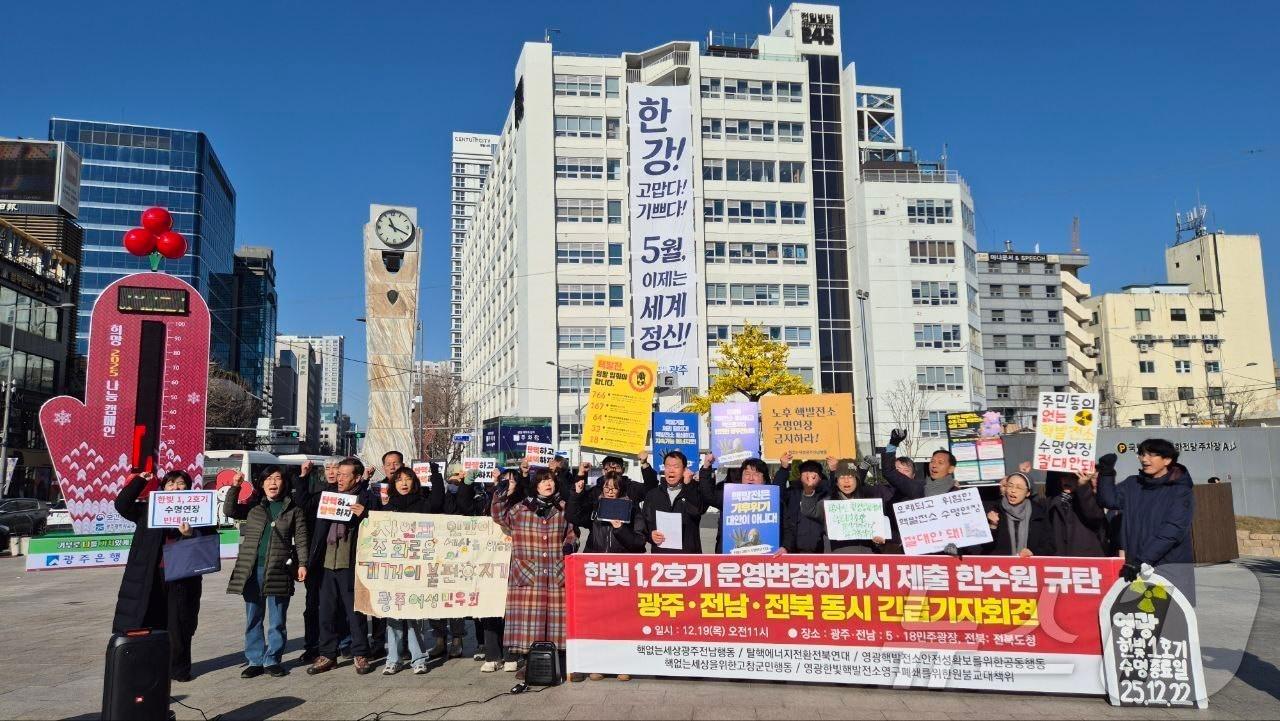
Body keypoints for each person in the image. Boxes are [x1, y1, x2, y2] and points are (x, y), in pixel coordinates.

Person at [111, 469, 213, 682]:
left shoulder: (199, 510)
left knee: (179, 624)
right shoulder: (149, 509)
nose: (176, 487)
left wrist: (191, 534)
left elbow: (210, 539)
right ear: (163, 487)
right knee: (147, 620)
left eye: (181, 483)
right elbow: (122, 505)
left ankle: (179, 669)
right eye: (171, 483)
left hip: (182, 578)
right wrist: (140, 481)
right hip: (150, 576)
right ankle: (148, 665)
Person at [224, 466, 310, 678]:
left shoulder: (294, 509)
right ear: (261, 484)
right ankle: (255, 660)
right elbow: (229, 511)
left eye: (277, 478)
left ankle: (273, 659)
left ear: (284, 483)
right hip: (251, 569)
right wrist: (235, 487)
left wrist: (303, 563)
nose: (273, 482)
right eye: (268, 479)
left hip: (279, 569)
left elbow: (301, 539)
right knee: (253, 616)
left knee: (277, 619)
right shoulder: (254, 507)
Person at [496, 468, 577, 682]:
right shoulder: (520, 509)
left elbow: (571, 533)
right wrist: (504, 491)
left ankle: (558, 664)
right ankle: (531, 664)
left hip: (555, 572)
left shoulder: (563, 508)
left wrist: (569, 545)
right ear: (535, 485)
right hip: (527, 574)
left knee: (556, 621)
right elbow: (498, 515)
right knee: (529, 623)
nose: (547, 484)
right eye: (542, 481)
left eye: (550, 480)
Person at [1096, 442, 1196, 603]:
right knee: (1140, 618)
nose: (1144, 459)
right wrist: (1106, 473)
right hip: (1136, 565)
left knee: (1168, 620)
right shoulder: (1133, 484)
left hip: (1168, 566)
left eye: (1151, 455)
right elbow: (1109, 500)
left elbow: (1173, 530)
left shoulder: (1180, 491)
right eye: (1142, 454)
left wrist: (1142, 560)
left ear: (1167, 460)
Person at [304, 457, 376, 675]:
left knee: (355, 612)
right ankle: (328, 654)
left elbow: (377, 525)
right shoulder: (329, 496)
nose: (339, 477)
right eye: (338, 473)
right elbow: (304, 502)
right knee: (325, 611)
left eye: (345, 474)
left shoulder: (365, 498)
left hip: (350, 564)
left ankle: (360, 653)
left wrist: (364, 514)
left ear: (356, 477)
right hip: (326, 563)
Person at [377, 467, 439, 675]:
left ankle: (418, 658)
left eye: (408, 479)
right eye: (399, 480)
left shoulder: (424, 505)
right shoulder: (387, 508)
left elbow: (438, 511)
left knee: (414, 615)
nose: (403, 483)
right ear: (393, 484)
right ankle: (393, 658)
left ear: (415, 482)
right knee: (393, 615)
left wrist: (437, 476)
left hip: (417, 569)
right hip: (393, 570)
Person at [296, 459, 344, 665]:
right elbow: (302, 502)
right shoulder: (320, 495)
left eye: (336, 468)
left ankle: (343, 642)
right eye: (328, 468)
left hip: (341, 558)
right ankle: (312, 645)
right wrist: (303, 476)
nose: (332, 472)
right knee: (313, 605)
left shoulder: (350, 495)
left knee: (340, 605)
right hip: (317, 559)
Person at [428, 464, 475, 661]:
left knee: (455, 599)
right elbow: (437, 505)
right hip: (437, 556)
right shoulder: (440, 495)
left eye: (461, 476)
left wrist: (467, 485)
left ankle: (457, 638)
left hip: (460, 556)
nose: (457, 479)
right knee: (435, 599)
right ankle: (439, 639)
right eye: (454, 475)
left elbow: (466, 507)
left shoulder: (472, 494)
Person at [481, 467, 524, 673]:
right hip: (489, 561)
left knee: (511, 610)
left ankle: (511, 654)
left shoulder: (524, 504)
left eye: (512, 480)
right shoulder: (486, 498)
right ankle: (492, 654)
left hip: (515, 562)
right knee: (490, 607)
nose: (508, 484)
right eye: (505, 480)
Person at [696, 456, 776, 553]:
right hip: (729, 553)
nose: (750, 478)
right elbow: (708, 495)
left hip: (764, 557)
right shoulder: (730, 495)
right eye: (747, 474)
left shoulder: (774, 499)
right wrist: (706, 468)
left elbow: (787, 527)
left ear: (765, 479)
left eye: (756, 474)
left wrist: (785, 546)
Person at [642, 451, 704, 553]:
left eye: (676, 467)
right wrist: (650, 536)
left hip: (689, 557)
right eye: (667, 466)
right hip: (661, 558)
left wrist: (688, 486)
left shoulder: (694, 490)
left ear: (684, 470)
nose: (671, 470)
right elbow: (644, 524)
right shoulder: (653, 495)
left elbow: (697, 511)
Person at [826, 461, 895, 554]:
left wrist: (881, 541)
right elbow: (809, 510)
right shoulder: (828, 504)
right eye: (842, 477)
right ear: (836, 482)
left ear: (857, 481)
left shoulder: (870, 504)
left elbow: (880, 531)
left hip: (867, 559)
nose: (846, 481)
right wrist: (808, 491)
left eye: (851, 477)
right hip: (840, 560)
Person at [573, 471, 647, 554]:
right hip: (595, 559)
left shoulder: (632, 509)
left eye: (615, 488)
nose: (610, 492)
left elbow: (640, 542)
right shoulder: (596, 506)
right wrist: (577, 495)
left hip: (620, 561)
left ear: (620, 490)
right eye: (607, 487)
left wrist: (620, 529)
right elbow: (574, 518)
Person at [983, 472, 1054, 557]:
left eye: (1019, 488)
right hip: (1000, 567)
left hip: (1029, 567)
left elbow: (1050, 546)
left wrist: (1033, 552)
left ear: (1028, 493)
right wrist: (992, 526)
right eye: (1010, 486)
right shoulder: (994, 510)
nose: (1013, 490)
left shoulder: (1038, 513)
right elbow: (985, 546)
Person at [1044, 470, 1108, 557]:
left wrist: (1083, 486)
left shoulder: (1091, 499)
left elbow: (1094, 516)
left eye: (1073, 477)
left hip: (1086, 561)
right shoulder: (1051, 502)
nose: (1067, 480)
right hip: (1059, 562)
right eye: (1064, 476)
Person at [881, 429, 958, 499]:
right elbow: (889, 471)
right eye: (932, 461)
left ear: (951, 468)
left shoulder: (957, 494)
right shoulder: (917, 487)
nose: (934, 465)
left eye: (940, 462)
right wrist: (893, 444)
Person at [781, 461, 830, 554]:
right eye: (806, 471)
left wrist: (833, 471)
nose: (809, 475)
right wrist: (783, 469)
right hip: (795, 550)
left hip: (822, 551)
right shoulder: (792, 492)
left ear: (820, 477)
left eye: (813, 472)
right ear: (800, 476)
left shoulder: (827, 493)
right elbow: (776, 493)